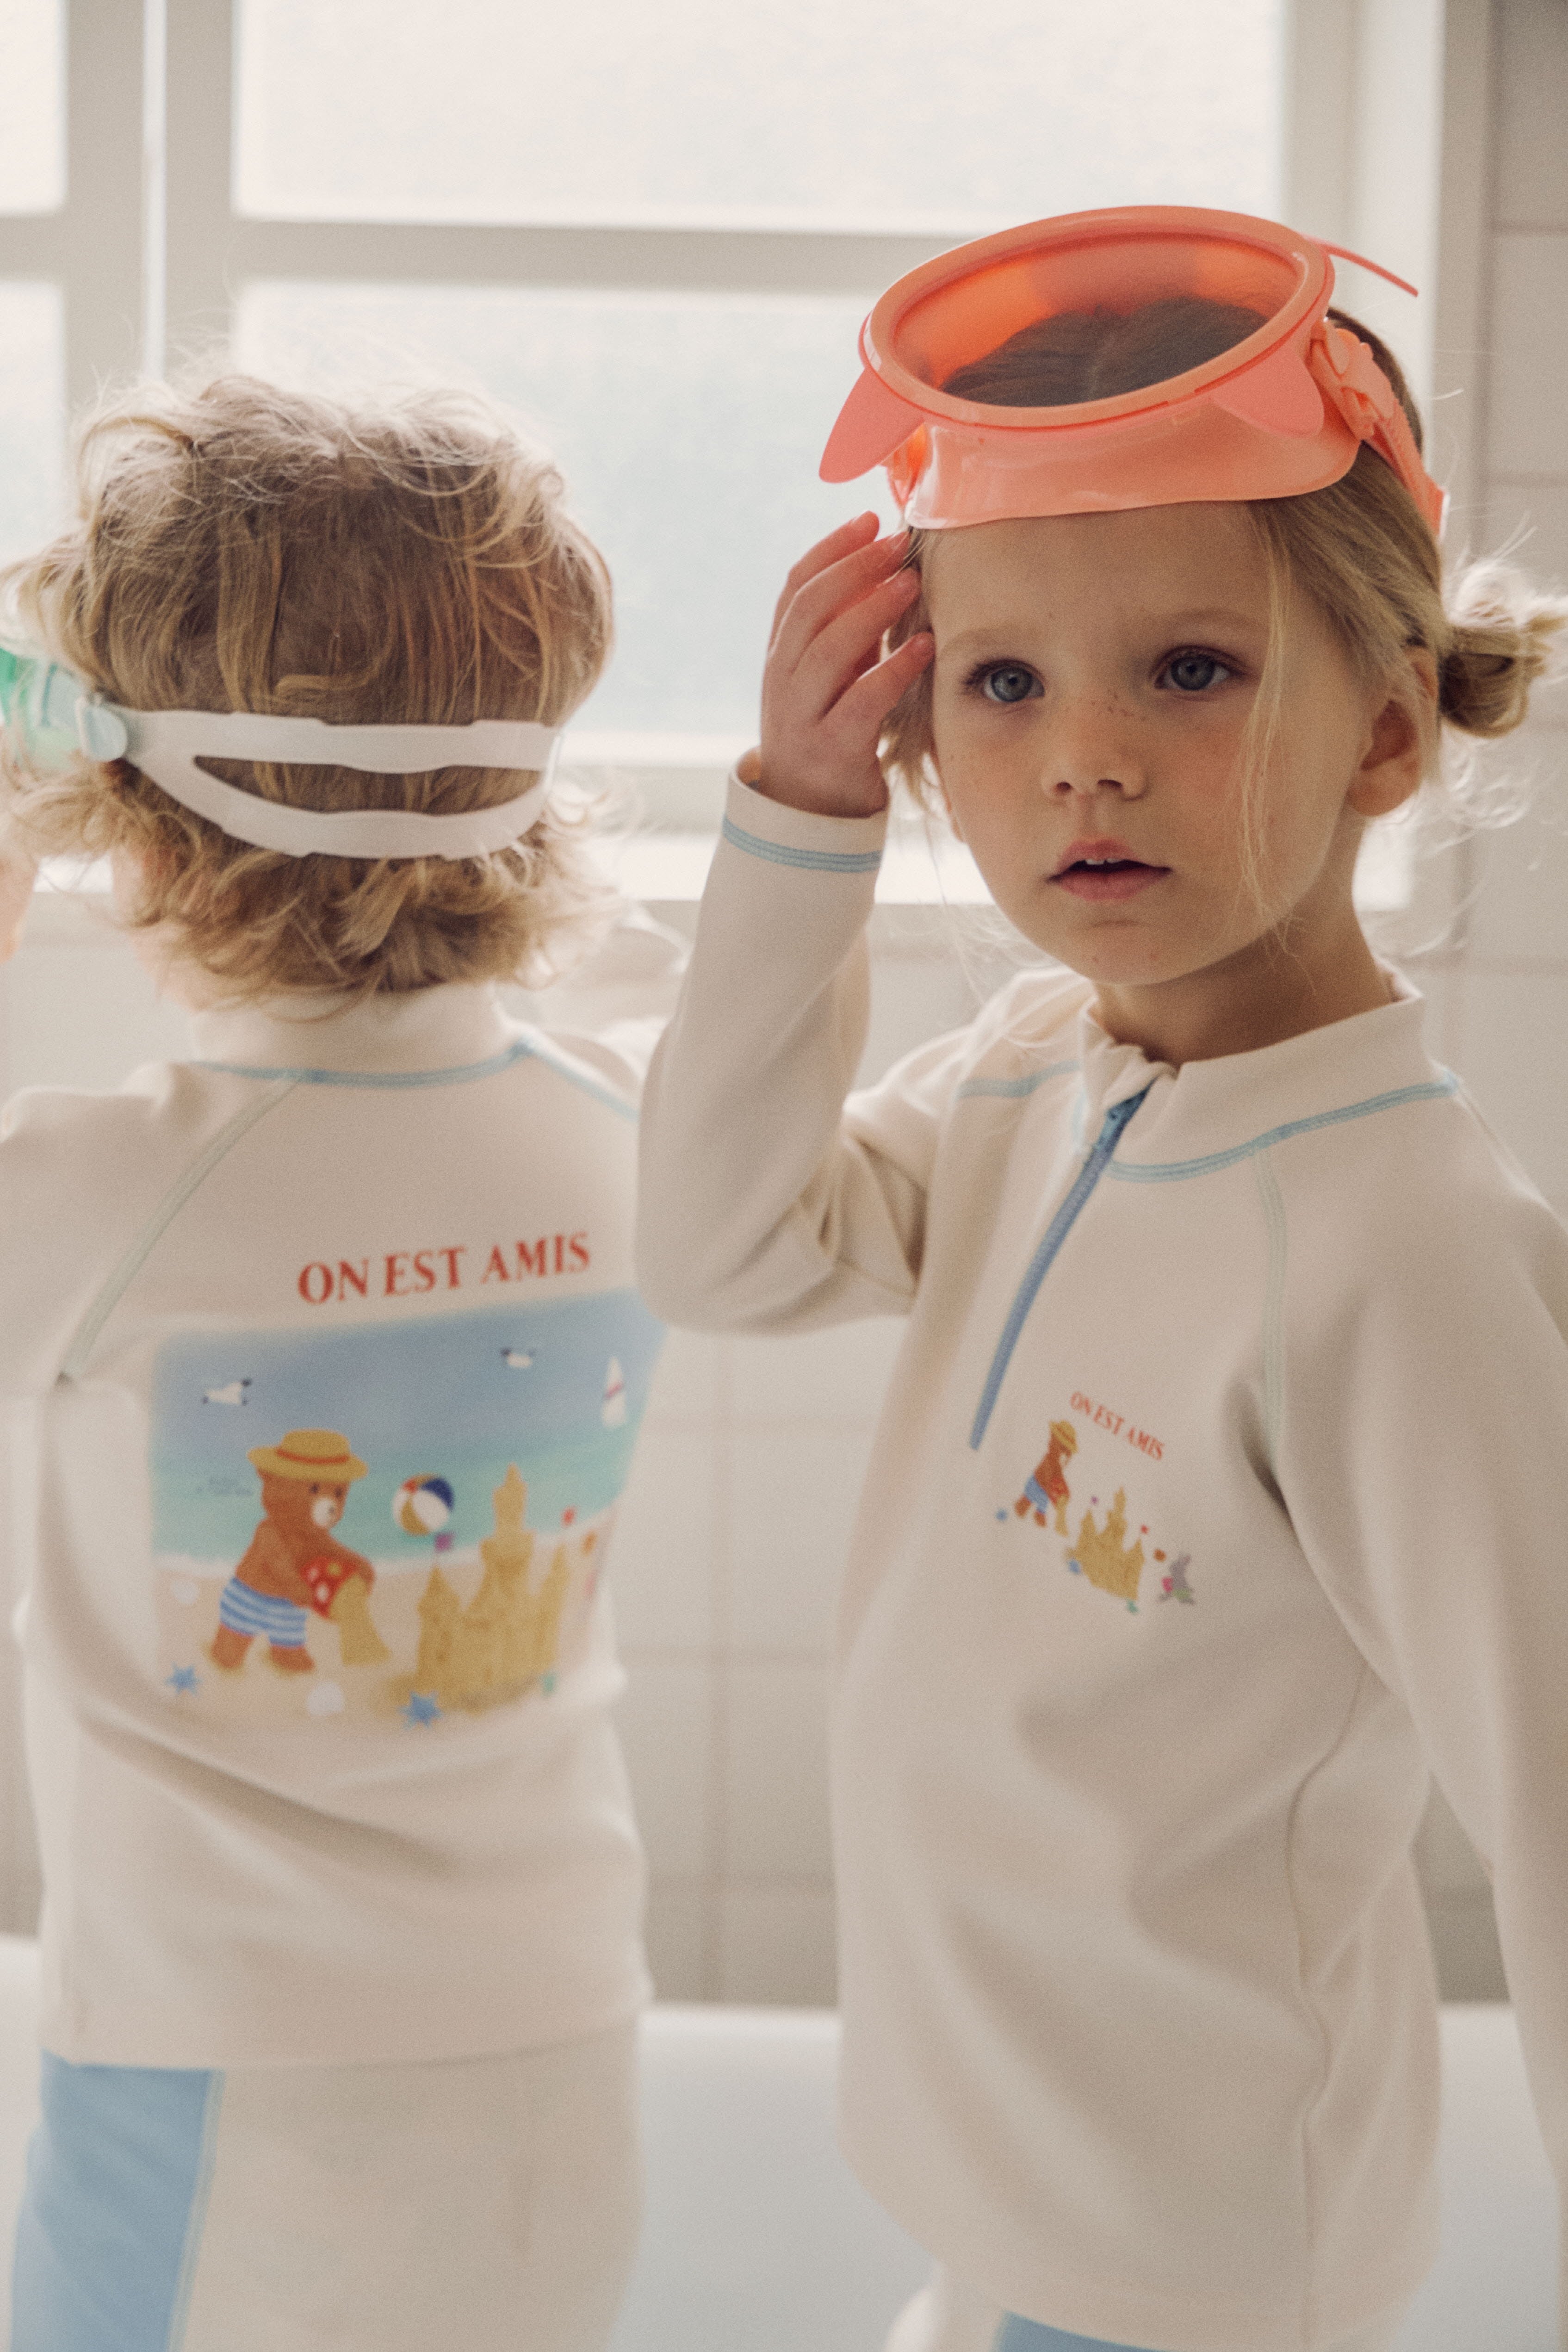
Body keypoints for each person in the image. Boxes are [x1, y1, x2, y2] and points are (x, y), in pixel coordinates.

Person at [635, 206, 1568, 2352]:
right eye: (1001, 680)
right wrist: (796, 816)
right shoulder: (1035, 1073)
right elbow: (715, 1250)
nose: (1082, 755)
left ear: (1384, 728)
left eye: (1189, 668)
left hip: (1193, 2271)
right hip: (995, 2211)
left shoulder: (1404, 1244)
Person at [0, 373, 674, 2352]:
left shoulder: (90, 1197)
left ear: (125, 819)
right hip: (563, 2042)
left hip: (223, 2080)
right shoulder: (625, 1129)